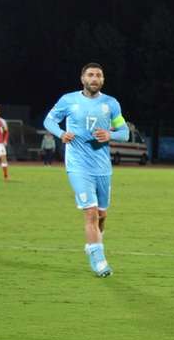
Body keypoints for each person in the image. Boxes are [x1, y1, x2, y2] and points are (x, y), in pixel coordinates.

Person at [44, 63, 129, 277]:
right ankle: (99, 261)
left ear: (102, 80)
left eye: (98, 75)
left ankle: (93, 245)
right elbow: (49, 120)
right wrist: (61, 133)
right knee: (90, 213)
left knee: (101, 214)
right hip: (78, 166)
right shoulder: (68, 100)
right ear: (82, 78)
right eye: (90, 75)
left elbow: (124, 132)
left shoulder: (111, 104)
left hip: (102, 168)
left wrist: (111, 135)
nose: (94, 78)